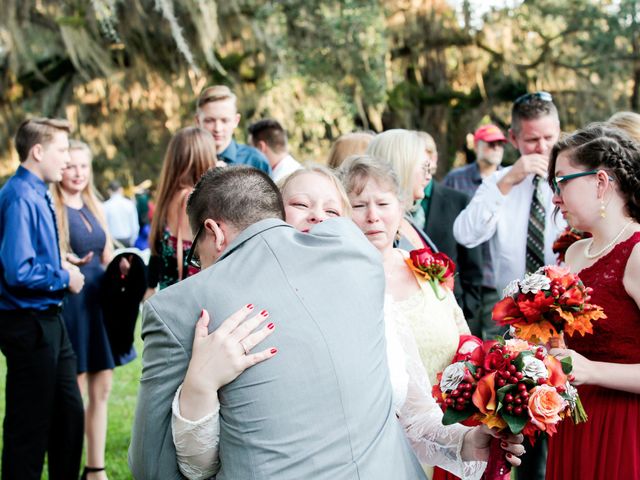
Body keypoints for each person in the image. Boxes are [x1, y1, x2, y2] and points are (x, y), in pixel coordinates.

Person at [169, 164, 524, 479]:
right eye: (300, 205)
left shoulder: (377, 304)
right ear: (271, 222)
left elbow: (416, 418)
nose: (317, 217)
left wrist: (469, 440)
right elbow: (203, 461)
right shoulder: (237, 315)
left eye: (331, 210)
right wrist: (199, 386)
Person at [545, 124, 640, 479]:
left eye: (562, 181)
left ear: (600, 182)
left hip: (625, 429)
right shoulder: (573, 255)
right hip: (573, 422)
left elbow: (585, 363)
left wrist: (590, 370)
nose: (555, 197)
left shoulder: (636, 254)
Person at [0, 118, 85, 480]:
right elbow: (17, 271)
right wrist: (64, 276)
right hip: (28, 324)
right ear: (37, 151)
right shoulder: (19, 196)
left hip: (51, 321)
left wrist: (58, 260)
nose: (66, 160)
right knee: (28, 429)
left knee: (69, 414)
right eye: (61, 150)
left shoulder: (37, 191)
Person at [51, 140, 135, 480]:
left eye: (83, 166)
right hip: (72, 308)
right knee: (76, 393)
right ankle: (67, 467)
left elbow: (104, 256)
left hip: (99, 306)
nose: (77, 173)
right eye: (70, 165)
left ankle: (95, 469)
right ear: (60, 168)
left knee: (103, 390)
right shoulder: (51, 208)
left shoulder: (92, 207)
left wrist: (122, 268)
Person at [413, 132, 483, 336]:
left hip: (455, 311)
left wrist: (468, 308)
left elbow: (473, 264)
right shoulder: (392, 207)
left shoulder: (458, 201)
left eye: (429, 156)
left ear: (434, 160)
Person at [443, 124, 508, 339]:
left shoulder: (510, 179)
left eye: (500, 144)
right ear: (477, 145)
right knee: (464, 336)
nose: (496, 148)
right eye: (491, 144)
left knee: (493, 337)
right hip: (463, 273)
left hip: (494, 275)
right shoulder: (456, 178)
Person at [147, 126, 217, 290]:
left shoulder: (168, 198)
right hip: (193, 300)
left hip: (169, 297)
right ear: (205, 158)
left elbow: (157, 254)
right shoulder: (193, 199)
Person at [195, 85, 271, 174]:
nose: (217, 128)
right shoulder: (186, 161)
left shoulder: (256, 161)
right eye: (209, 121)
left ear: (236, 121)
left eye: (225, 121)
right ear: (197, 121)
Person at [103, 180, 139, 248]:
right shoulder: (129, 204)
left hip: (112, 241)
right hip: (127, 240)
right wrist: (133, 241)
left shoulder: (105, 206)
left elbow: (104, 227)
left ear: (109, 191)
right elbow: (135, 225)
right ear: (121, 189)